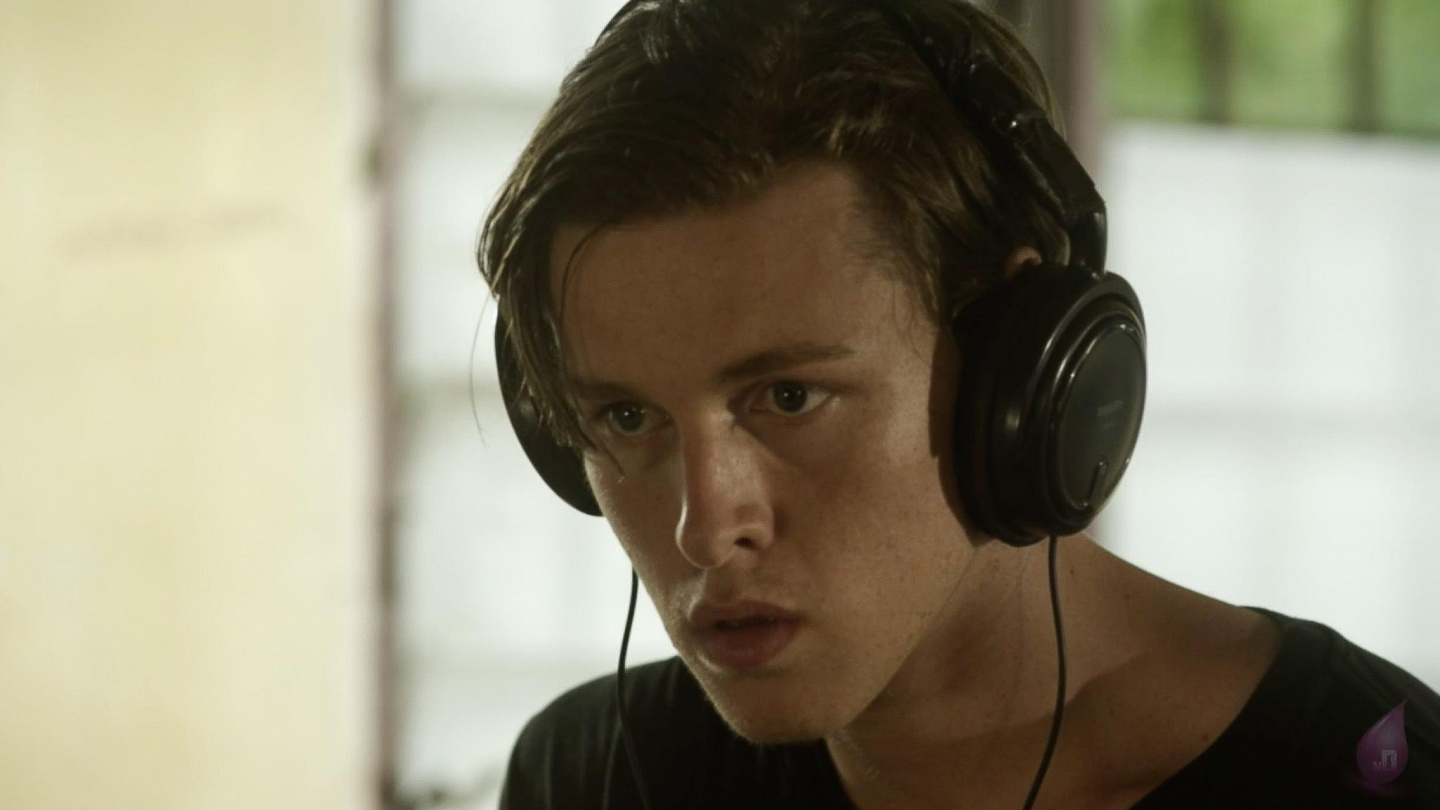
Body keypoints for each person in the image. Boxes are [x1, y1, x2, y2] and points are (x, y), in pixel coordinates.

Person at [480, 0, 1440, 807]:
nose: (703, 528)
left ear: (1014, 377)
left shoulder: (1370, 776)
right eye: (627, 419)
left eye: (789, 396)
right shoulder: (594, 776)